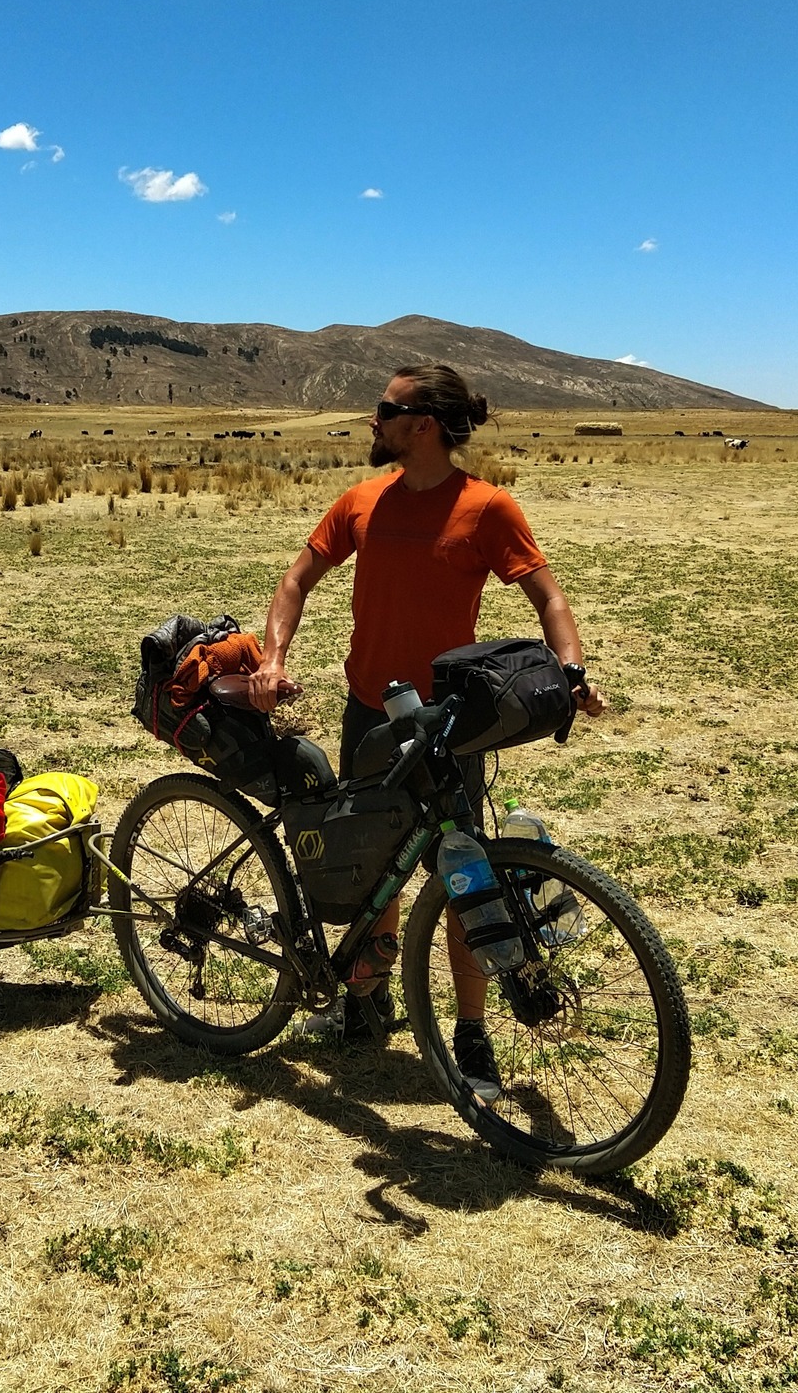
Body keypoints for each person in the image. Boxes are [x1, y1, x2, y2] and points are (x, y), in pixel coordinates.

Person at [247, 364, 602, 1099]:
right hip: (367, 714)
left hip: (448, 725)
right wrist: (273, 658)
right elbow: (295, 580)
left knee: (461, 874)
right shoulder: (361, 501)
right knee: (369, 862)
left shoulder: (486, 508)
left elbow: (548, 597)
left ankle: (471, 1034)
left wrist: (569, 671)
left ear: (424, 425)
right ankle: (366, 1000)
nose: (371, 421)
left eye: (384, 409)